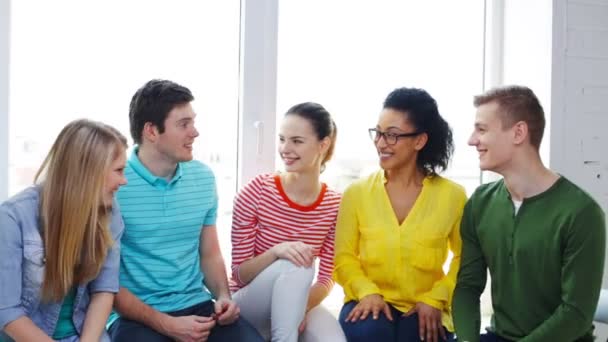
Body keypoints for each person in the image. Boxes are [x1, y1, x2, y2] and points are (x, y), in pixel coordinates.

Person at [107, 79, 263, 342]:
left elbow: (210, 254)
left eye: (193, 122)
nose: (195, 132)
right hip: (135, 316)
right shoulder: (115, 183)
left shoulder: (203, 178)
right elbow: (105, 281)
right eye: (183, 124)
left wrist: (223, 297)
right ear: (152, 131)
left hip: (197, 305)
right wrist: (168, 325)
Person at [453, 85, 606, 342]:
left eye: (481, 129)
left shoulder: (582, 213)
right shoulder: (479, 203)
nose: (471, 140)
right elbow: (467, 287)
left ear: (518, 133)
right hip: (500, 337)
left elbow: (575, 314)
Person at [334, 87, 466, 342]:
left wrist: (436, 297)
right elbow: (344, 258)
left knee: (420, 335)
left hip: (425, 305)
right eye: (378, 133)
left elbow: (464, 259)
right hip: (368, 300)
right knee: (372, 332)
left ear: (419, 141)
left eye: (392, 136)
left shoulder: (453, 196)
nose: (381, 143)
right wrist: (367, 292)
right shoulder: (357, 193)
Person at [0, 119, 128, 341]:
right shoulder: (12, 218)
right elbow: (8, 313)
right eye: (118, 170)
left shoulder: (110, 213)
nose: (123, 180)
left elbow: (104, 290)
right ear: (89, 172)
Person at [230, 102, 346, 342]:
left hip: (296, 298)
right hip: (247, 304)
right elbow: (240, 274)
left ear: (323, 144)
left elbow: (326, 278)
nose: (285, 148)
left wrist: (298, 310)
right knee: (298, 261)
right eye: (282, 139)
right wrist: (276, 252)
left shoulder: (336, 205)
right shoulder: (258, 191)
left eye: (297, 141)